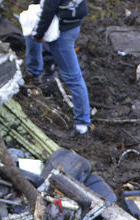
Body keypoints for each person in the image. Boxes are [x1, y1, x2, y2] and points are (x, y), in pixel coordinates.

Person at [25, 0, 92, 135]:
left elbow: (48, 11)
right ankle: (35, 72)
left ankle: (82, 124)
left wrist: (39, 34)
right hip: (72, 22)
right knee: (31, 34)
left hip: (63, 28)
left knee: (72, 77)